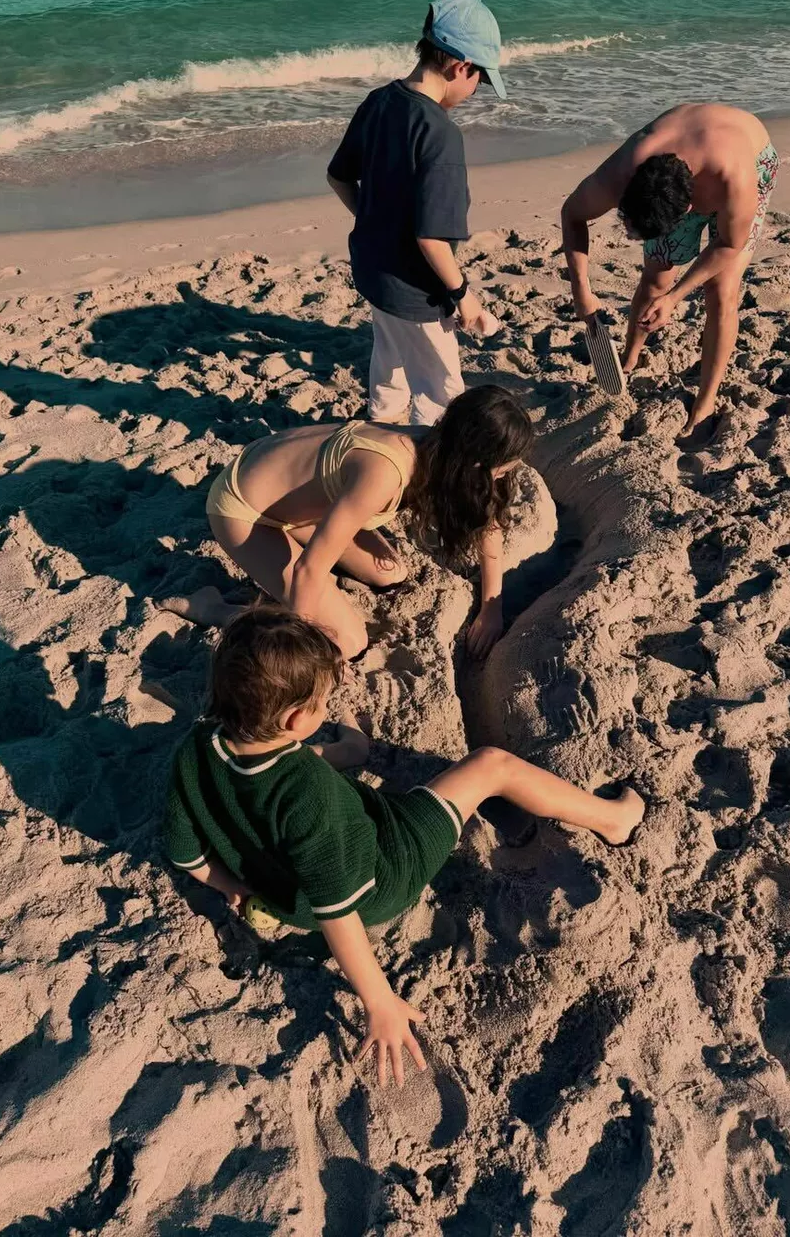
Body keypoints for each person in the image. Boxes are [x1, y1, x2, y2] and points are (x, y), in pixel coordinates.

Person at [164, 605, 646, 1087]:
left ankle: (352, 752)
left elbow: (185, 853)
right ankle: (614, 820)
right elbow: (337, 913)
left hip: (278, 889)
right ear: (294, 719)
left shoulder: (198, 745)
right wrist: (380, 1003)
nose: (327, 707)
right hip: (382, 874)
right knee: (491, 765)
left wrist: (232, 886)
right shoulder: (306, 794)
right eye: (323, 702)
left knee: (303, 771)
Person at [160, 386, 532, 661]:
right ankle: (214, 609)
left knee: (391, 573)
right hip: (245, 508)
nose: (506, 476)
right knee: (348, 642)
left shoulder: (439, 446)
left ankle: (295, 555)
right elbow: (309, 570)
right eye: (504, 469)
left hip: (293, 497)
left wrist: (491, 608)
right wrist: (307, 648)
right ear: (475, 463)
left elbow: (488, 522)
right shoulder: (386, 472)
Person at [326, 0, 506, 427]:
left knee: (389, 361)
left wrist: (373, 220)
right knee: (441, 390)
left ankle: (381, 427)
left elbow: (338, 177)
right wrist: (464, 297)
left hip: (375, 270)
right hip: (417, 289)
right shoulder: (439, 134)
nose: (475, 91)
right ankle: (424, 454)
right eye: (480, 80)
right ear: (460, 66)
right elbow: (431, 238)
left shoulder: (379, 101)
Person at [561, 104, 779, 440]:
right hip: (684, 160)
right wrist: (581, 290)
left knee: (721, 291)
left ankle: (705, 401)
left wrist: (675, 298)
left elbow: (728, 245)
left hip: (751, 155)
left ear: (687, 211)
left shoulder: (734, 180)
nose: (629, 237)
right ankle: (630, 357)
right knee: (656, 276)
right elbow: (572, 213)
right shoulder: (623, 171)